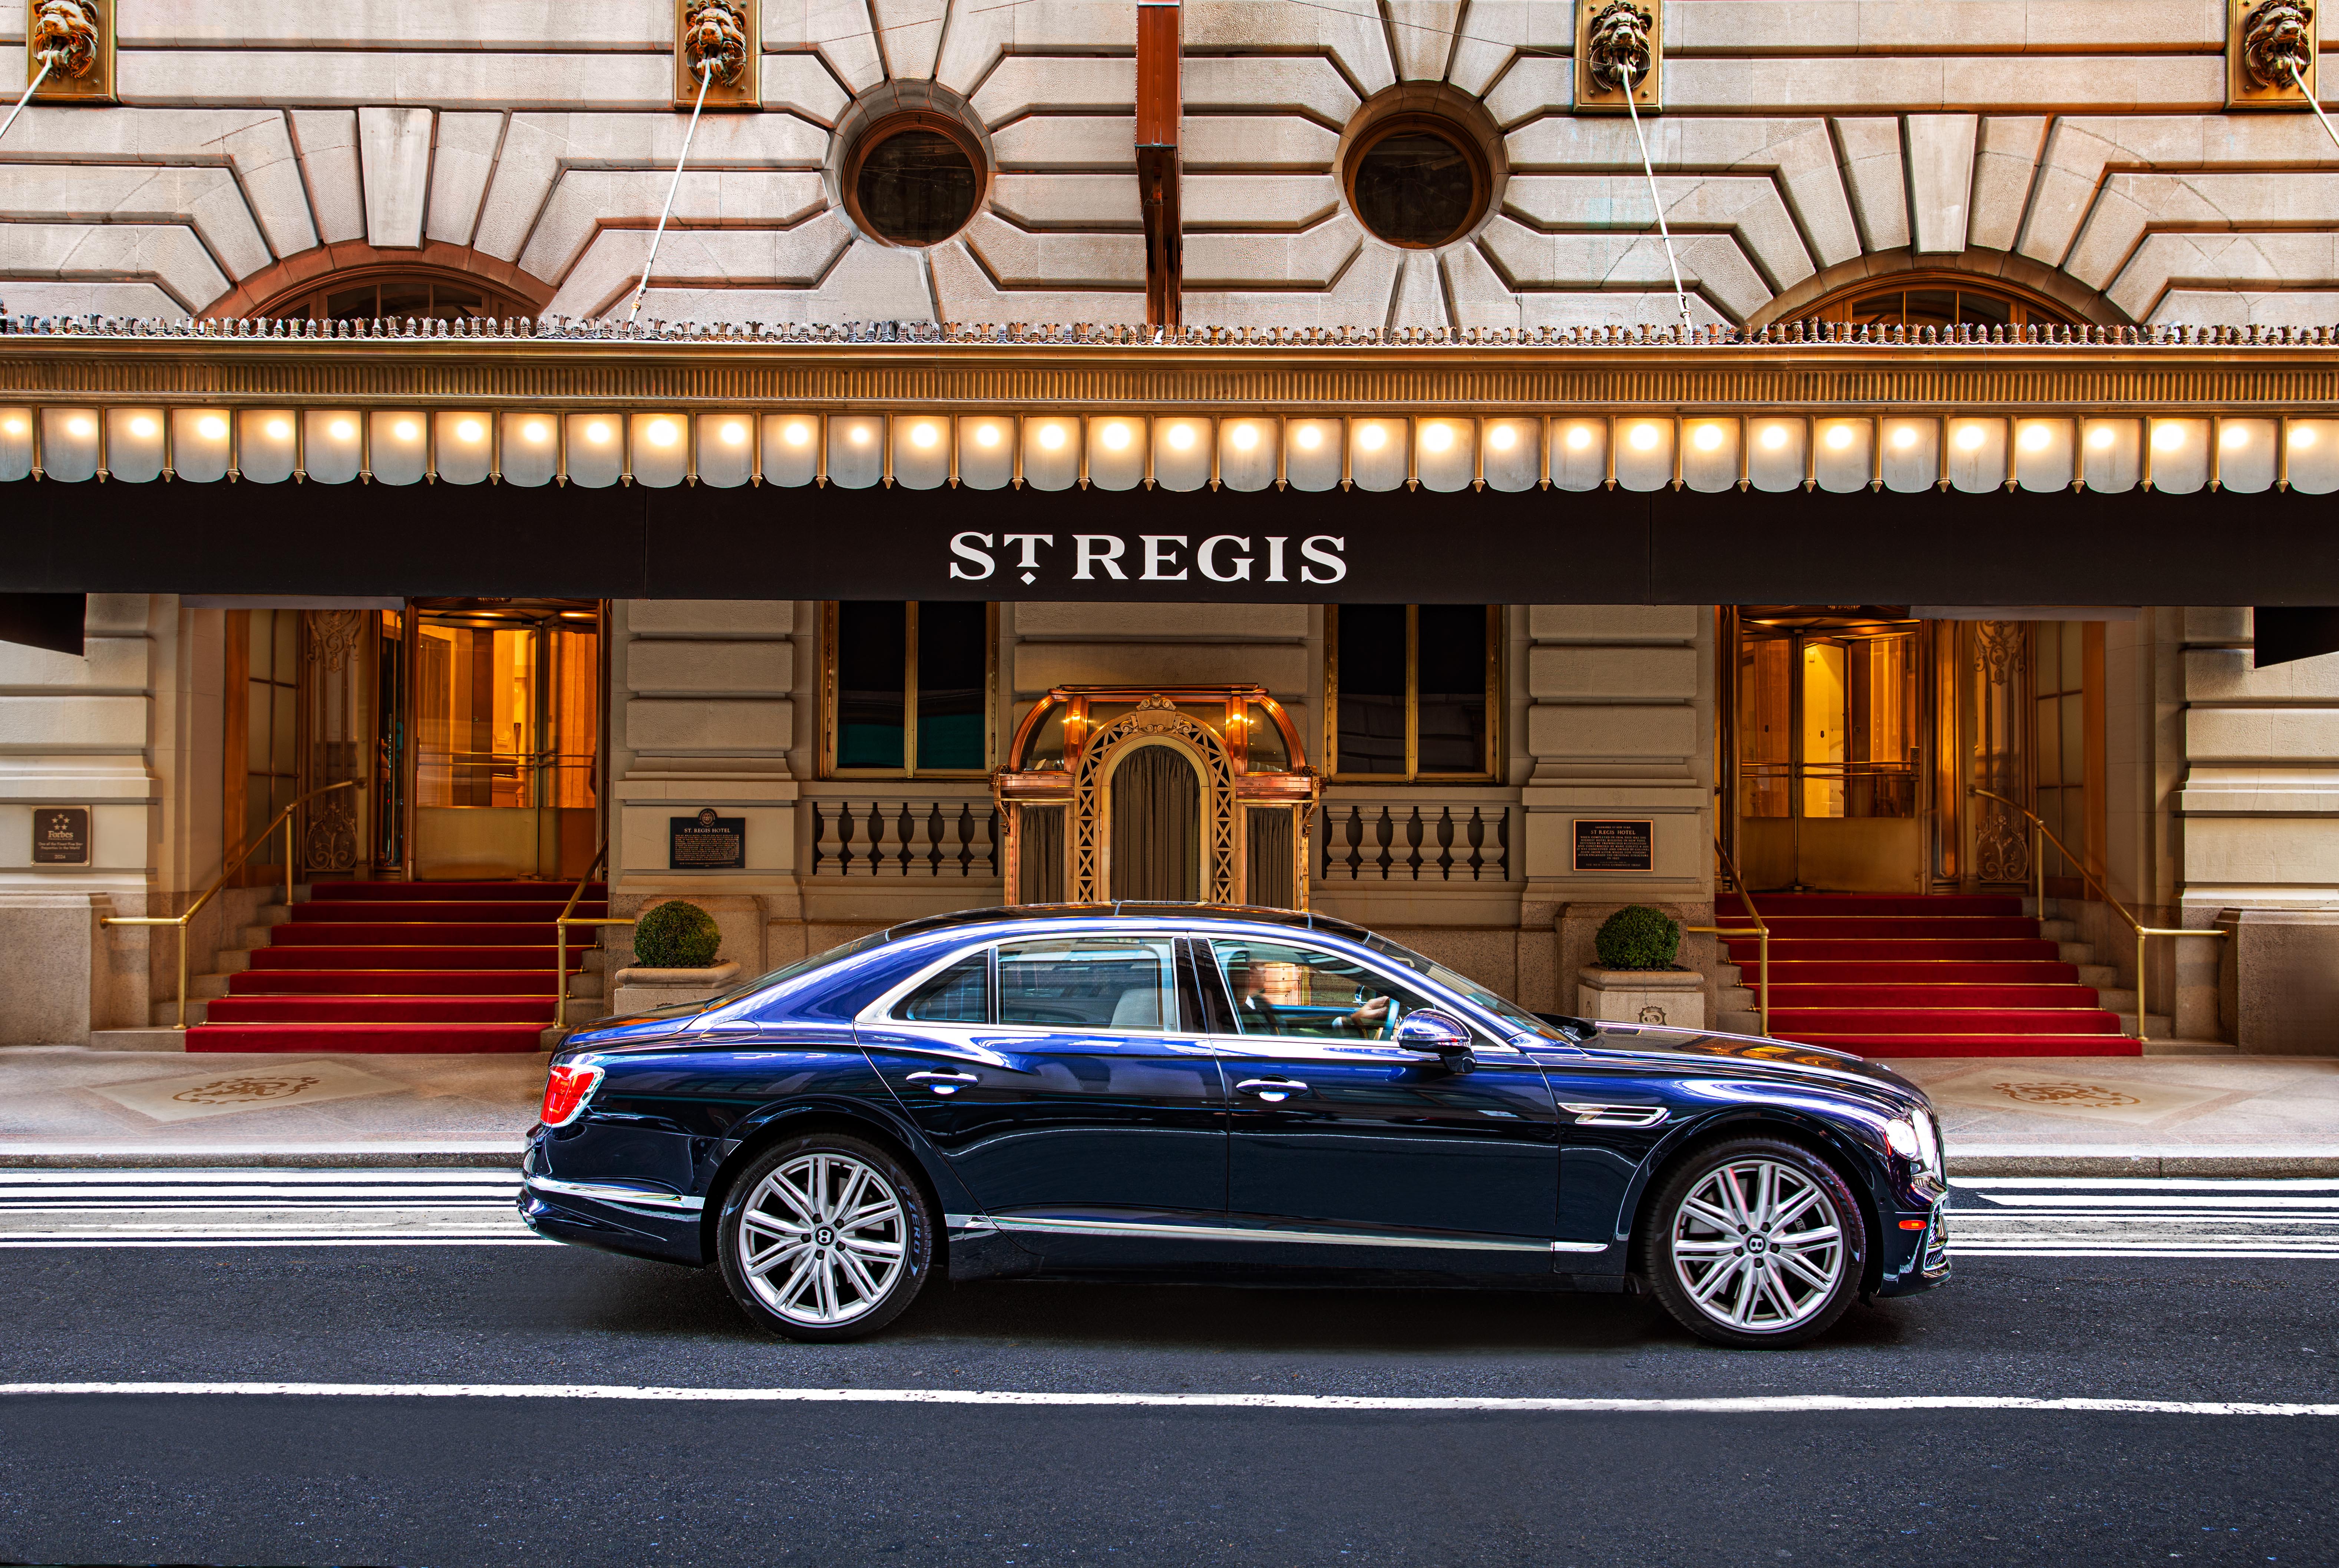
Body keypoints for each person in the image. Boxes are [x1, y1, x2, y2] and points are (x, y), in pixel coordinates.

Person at [1227, 956, 1390, 1037]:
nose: (1265, 970)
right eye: (1259, 966)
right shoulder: (1237, 1012)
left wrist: (1350, 1021)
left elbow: (1291, 1031)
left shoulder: (1257, 1002)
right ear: (1246, 973)